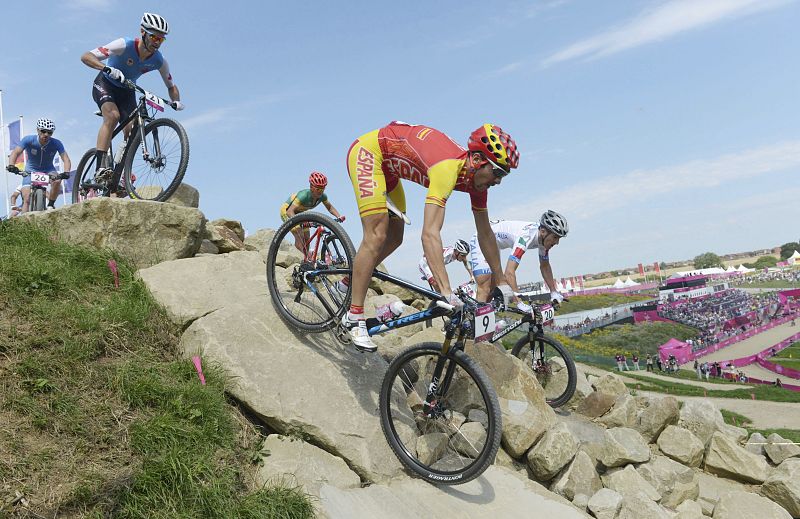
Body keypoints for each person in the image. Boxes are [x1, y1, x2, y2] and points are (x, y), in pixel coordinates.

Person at [340, 121, 520, 351]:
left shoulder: (476, 183)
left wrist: (502, 282)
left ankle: (347, 282)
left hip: (389, 171)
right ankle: (355, 317)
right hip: (368, 154)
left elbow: (486, 234)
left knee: (395, 237)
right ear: (477, 161)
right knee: (377, 235)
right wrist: (446, 292)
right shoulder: (447, 169)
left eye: (503, 175)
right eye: (497, 172)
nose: (498, 181)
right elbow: (430, 233)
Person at [80, 13, 183, 186]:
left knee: (133, 130)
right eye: (154, 37)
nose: (157, 42)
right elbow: (86, 56)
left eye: (161, 39)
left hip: (127, 91)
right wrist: (106, 68)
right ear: (142, 32)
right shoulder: (123, 44)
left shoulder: (159, 60)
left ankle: (120, 174)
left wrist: (176, 101)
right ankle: (100, 168)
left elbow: (171, 86)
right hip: (106, 84)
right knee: (112, 116)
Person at [469, 211, 568, 306]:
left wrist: (553, 291)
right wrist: (519, 302)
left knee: (493, 288)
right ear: (542, 231)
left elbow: (545, 266)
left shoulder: (544, 239)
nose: (557, 242)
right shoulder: (525, 237)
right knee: (485, 284)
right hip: (482, 237)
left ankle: (484, 314)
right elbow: (509, 272)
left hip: (495, 243)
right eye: (555, 237)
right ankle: (476, 319)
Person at [6, 118, 72, 211]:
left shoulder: (56, 143)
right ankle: (25, 222)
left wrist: (66, 172)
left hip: (48, 169)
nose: (46, 135)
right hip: (31, 169)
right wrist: (11, 165)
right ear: (38, 130)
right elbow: (15, 153)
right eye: (43, 131)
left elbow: (66, 159)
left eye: (49, 132)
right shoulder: (28, 139)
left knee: (57, 181)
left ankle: (51, 204)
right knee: (27, 199)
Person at [280, 171, 344, 253]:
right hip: (287, 211)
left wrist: (339, 216)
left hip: (300, 213)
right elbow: (289, 211)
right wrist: (299, 223)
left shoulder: (323, 197)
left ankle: (306, 260)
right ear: (311, 187)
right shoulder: (303, 195)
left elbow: (330, 207)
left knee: (307, 238)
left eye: (322, 189)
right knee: (300, 235)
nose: (320, 191)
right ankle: (299, 258)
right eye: (317, 189)